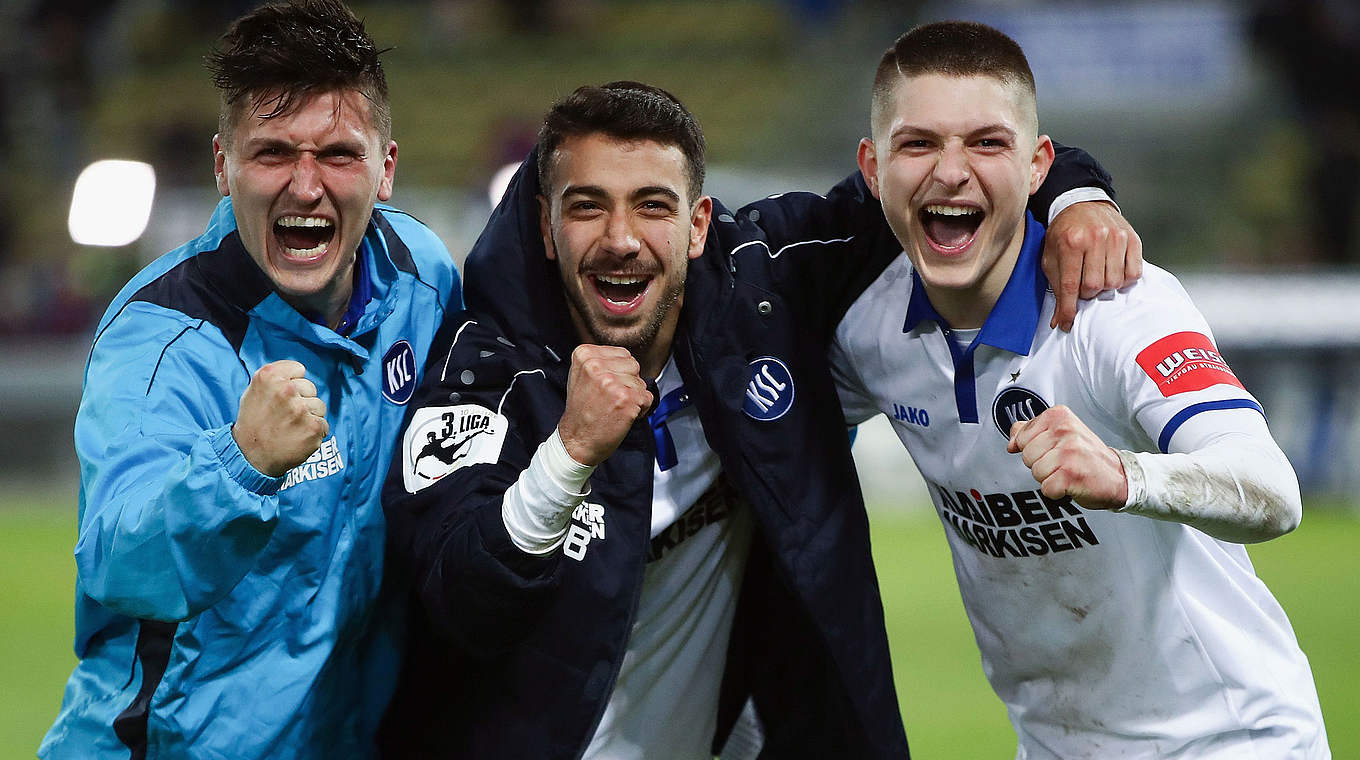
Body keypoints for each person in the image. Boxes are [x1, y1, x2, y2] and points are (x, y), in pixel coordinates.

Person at [379, 80, 1137, 758]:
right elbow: (459, 601)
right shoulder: (481, 373)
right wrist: (568, 453)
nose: (620, 239)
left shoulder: (762, 288)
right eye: (587, 207)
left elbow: (947, 176)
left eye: (652, 205)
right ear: (546, 229)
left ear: (699, 224)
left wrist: (1076, 197)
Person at [829, 21, 1330, 758]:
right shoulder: (867, 333)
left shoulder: (1117, 307)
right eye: (919, 144)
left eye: (988, 143)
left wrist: (1125, 474)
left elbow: (1271, 489)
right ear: (873, 169)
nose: (952, 172)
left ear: (1039, 167)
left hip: (1229, 739)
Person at [40, 1, 461, 758]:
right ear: (222, 166)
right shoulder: (163, 338)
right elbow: (117, 563)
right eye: (271, 153)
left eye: (338, 153)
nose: (305, 186)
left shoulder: (423, 279)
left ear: (385, 168)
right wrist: (240, 463)